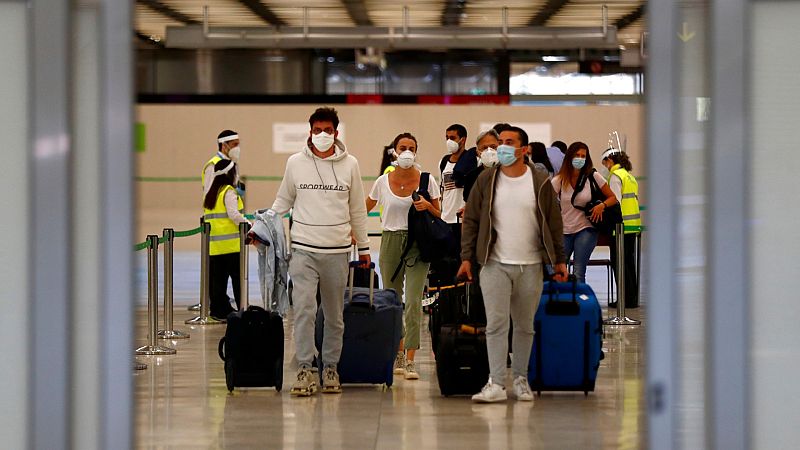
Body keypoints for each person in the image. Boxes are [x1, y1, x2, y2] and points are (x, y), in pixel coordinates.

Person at [458, 125, 568, 403]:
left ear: (524, 149)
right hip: (494, 263)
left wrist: (559, 261)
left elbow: (554, 223)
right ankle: (495, 383)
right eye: (500, 142)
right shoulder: (487, 179)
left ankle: (520, 379)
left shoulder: (540, 180)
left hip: (531, 265)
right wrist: (467, 257)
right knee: (495, 325)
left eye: (509, 142)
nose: (502, 147)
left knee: (524, 325)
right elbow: (471, 220)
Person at [270, 107, 371, 397]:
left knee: (334, 315)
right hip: (302, 249)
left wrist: (363, 248)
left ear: (336, 133)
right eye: (317, 130)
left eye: (328, 130)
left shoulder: (350, 164)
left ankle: (330, 367)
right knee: (303, 310)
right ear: (310, 132)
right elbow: (283, 200)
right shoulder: (295, 163)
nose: (323, 135)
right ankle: (305, 367)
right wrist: (263, 228)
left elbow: (357, 210)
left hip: (338, 251)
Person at [365, 132, 441, 381]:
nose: (407, 151)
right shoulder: (382, 181)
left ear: (416, 151)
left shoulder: (427, 181)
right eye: (402, 147)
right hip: (390, 240)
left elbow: (440, 214)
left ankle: (410, 359)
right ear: (394, 151)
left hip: (419, 243)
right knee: (392, 298)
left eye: (411, 147)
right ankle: (397, 353)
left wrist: (427, 206)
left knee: (414, 300)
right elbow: (363, 208)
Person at [551, 142, 618, 284]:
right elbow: (546, 202)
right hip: (564, 229)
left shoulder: (593, 176)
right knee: (559, 270)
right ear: (569, 157)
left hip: (586, 227)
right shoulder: (559, 180)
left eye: (583, 156)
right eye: (577, 155)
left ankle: (579, 303)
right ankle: (562, 301)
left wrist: (602, 205)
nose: (580, 159)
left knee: (578, 271)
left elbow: (613, 198)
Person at [203, 159, 250, 320]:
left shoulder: (212, 192)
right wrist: (249, 224)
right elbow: (234, 214)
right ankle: (242, 312)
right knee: (238, 281)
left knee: (218, 282)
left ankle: (218, 311)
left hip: (215, 246)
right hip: (231, 246)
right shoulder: (228, 191)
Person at [600, 148, 642, 308]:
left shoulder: (616, 177)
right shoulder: (629, 176)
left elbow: (614, 202)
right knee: (629, 264)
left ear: (609, 160)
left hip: (620, 227)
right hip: (632, 226)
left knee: (620, 264)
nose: (604, 166)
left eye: (604, 163)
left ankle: (624, 300)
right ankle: (631, 299)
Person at [462, 129, 500, 203]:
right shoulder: (471, 177)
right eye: (485, 148)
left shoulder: (509, 173)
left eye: (493, 147)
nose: (489, 151)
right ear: (478, 152)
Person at [203, 130, 242, 198]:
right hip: (219, 208)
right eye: (234, 144)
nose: (237, 148)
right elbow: (208, 192)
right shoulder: (213, 164)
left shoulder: (232, 164)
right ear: (224, 145)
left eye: (238, 145)